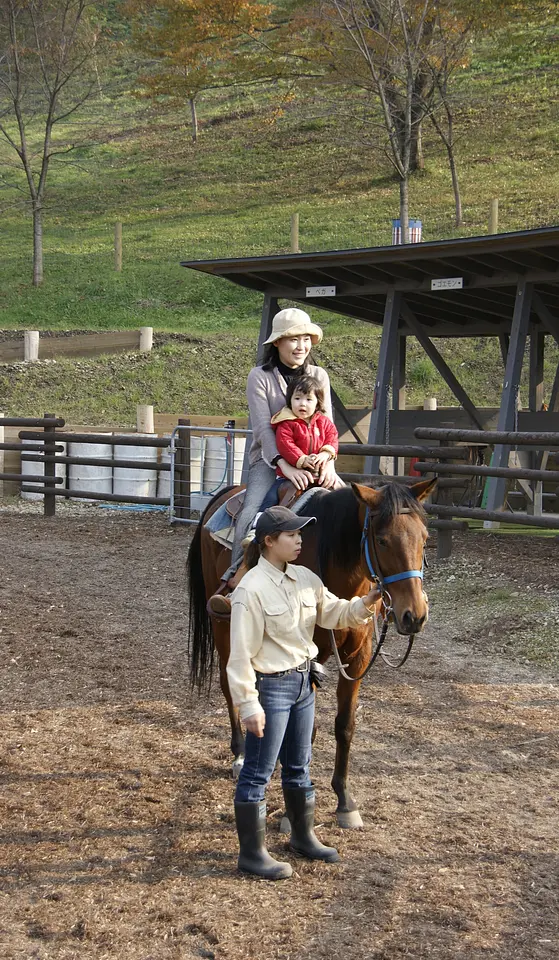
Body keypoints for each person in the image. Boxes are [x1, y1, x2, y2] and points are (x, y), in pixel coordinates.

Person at [227, 505, 380, 880]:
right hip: (272, 688)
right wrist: (249, 705)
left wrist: (369, 601)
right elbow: (240, 656)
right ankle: (252, 854)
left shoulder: (306, 579)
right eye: (292, 535)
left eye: (300, 534)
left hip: (303, 684)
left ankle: (303, 836)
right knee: (258, 773)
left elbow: (336, 613)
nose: (300, 540)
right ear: (269, 542)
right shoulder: (250, 590)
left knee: (299, 766)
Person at [207, 307, 340, 615]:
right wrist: (286, 466)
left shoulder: (319, 376)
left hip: (318, 459)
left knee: (353, 507)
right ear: (277, 343)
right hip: (269, 463)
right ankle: (235, 582)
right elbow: (264, 429)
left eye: (306, 338)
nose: (300, 346)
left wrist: (329, 463)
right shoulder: (260, 377)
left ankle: (362, 584)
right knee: (251, 511)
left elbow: (329, 424)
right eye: (293, 339)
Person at [260, 373, 340, 510]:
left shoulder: (324, 422)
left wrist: (326, 454)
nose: (302, 403)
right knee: (272, 498)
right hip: (290, 475)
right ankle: (259, 522)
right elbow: (286, 445)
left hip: (319, 475)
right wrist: (302, 459)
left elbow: (332, 437)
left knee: (343, 495)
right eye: (297, 398)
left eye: (309, 399)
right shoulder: (286, 424)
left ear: (317, 404)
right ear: (290, 401)